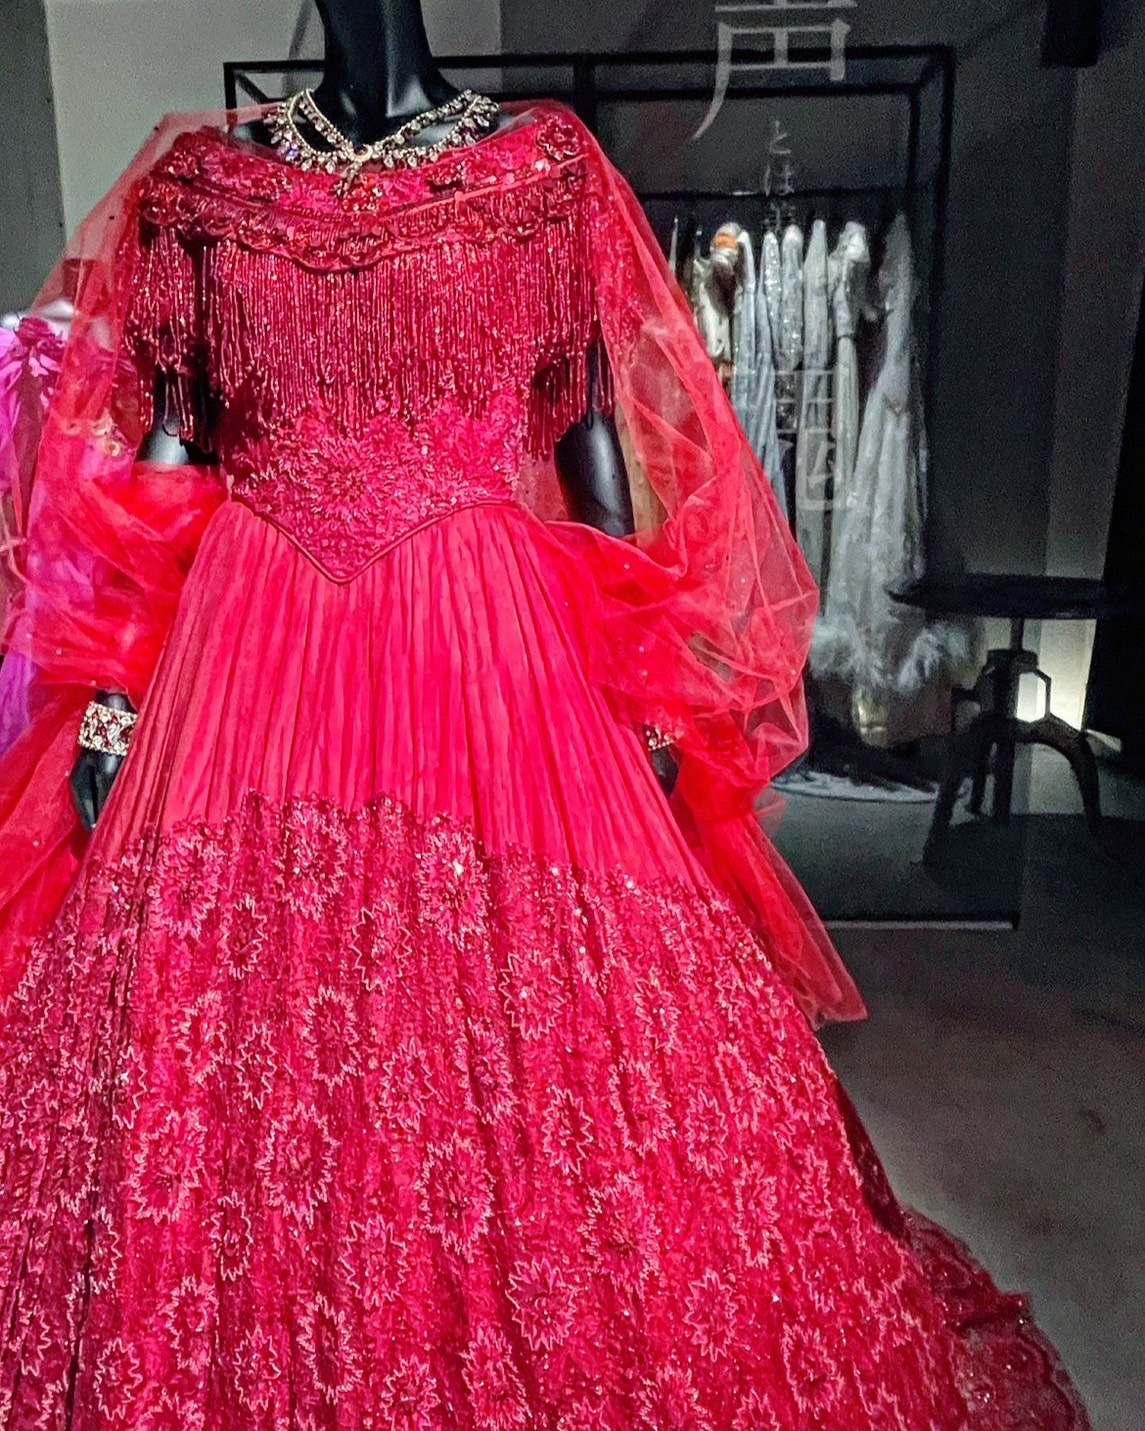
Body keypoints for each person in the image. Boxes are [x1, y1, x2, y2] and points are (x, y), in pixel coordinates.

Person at [0, 2, 1088, 1425]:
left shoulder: (539, 174)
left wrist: (644, 683)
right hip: (248, 649)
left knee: (552, 1019)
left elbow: (593, 444)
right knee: (228, 1027)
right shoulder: (213, 189)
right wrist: (112, 694)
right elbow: (169, 445)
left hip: (484, 641)